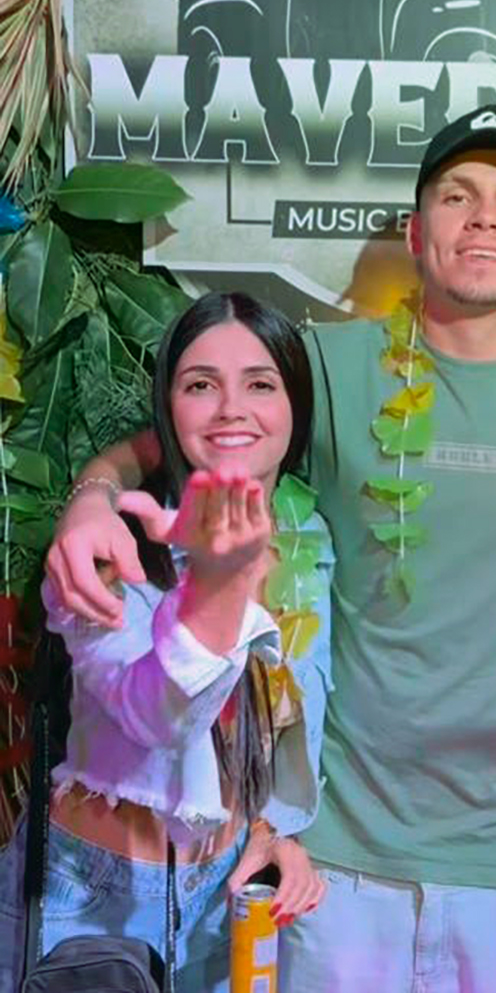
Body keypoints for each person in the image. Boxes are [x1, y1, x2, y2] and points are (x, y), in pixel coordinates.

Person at [44, 104, 496, 991]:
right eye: (457, 196)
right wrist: (91, 500)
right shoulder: (328, 364)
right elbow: (192, 428)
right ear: (415, 231)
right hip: (336, 862)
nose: (484, 217)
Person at [0, 293, 332, 993]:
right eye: (200, 385)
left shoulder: (309, 536)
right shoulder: (114, 542)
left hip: (225, 896)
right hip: (91, 897)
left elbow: (287, 717)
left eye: (261, 384)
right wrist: (216, 585)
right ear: (168, 407)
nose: (232, 409)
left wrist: (273, 833)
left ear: (295, 406)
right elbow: (154, 715)